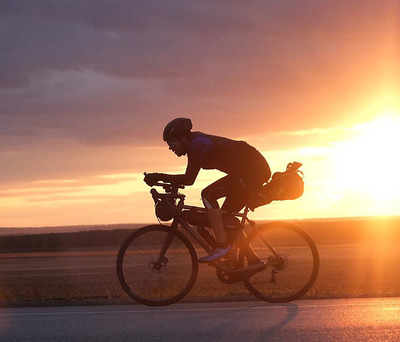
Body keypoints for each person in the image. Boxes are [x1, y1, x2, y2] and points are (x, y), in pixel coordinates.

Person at [144, 118, 271, 263]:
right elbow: (187, 178)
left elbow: (189, 179)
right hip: (249, 170)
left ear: (183, 138)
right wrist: (161, 180)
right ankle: (254, 261)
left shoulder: (197, 144)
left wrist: (158, 177)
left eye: (172, 143)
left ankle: (222, 246)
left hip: (254, 170)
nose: (171, 148)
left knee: (207, 194)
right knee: (226, 221)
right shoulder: (194, 144)